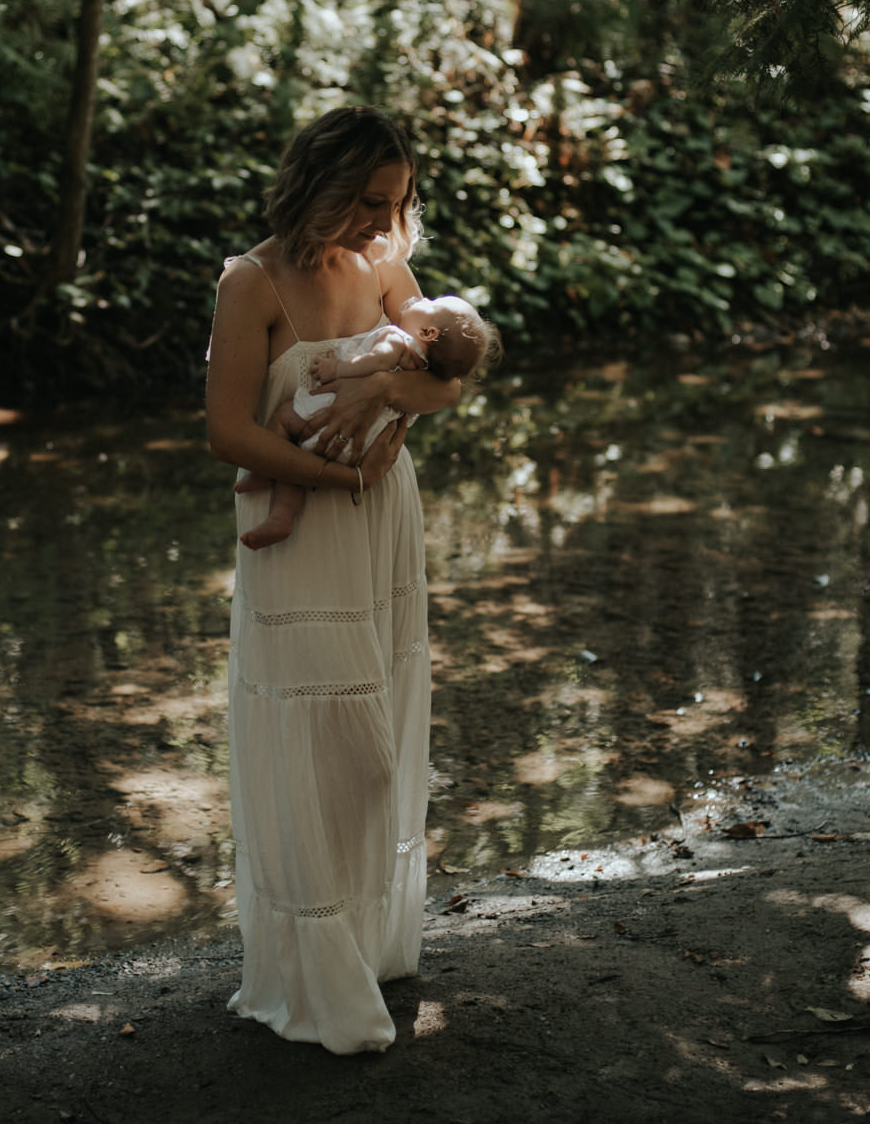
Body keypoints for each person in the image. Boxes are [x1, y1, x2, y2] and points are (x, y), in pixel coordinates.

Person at [204, 106, 466, 1054]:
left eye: (396, 203)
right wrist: (336, 474)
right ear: (316, 181)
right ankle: (310, 967)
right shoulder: (252, 282)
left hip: (383, 515)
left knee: (378, 731)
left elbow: (452, 378)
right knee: (315, 731)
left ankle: (366, 936)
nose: (381, 222)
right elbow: (228, 432)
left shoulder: (383, 267)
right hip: (301, 525)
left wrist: (388, 389)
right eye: (366, 201)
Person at [235, 293, 495, 551]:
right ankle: (281, 517)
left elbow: (375, 361)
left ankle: (269, 480)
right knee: (300, 453)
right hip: (367, 446)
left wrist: (335, 369)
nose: (422, 298)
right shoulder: (424, 369)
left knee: (284, 421)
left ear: (427, 332)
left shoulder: (396, 339)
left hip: (331, 420)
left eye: (432, 302)